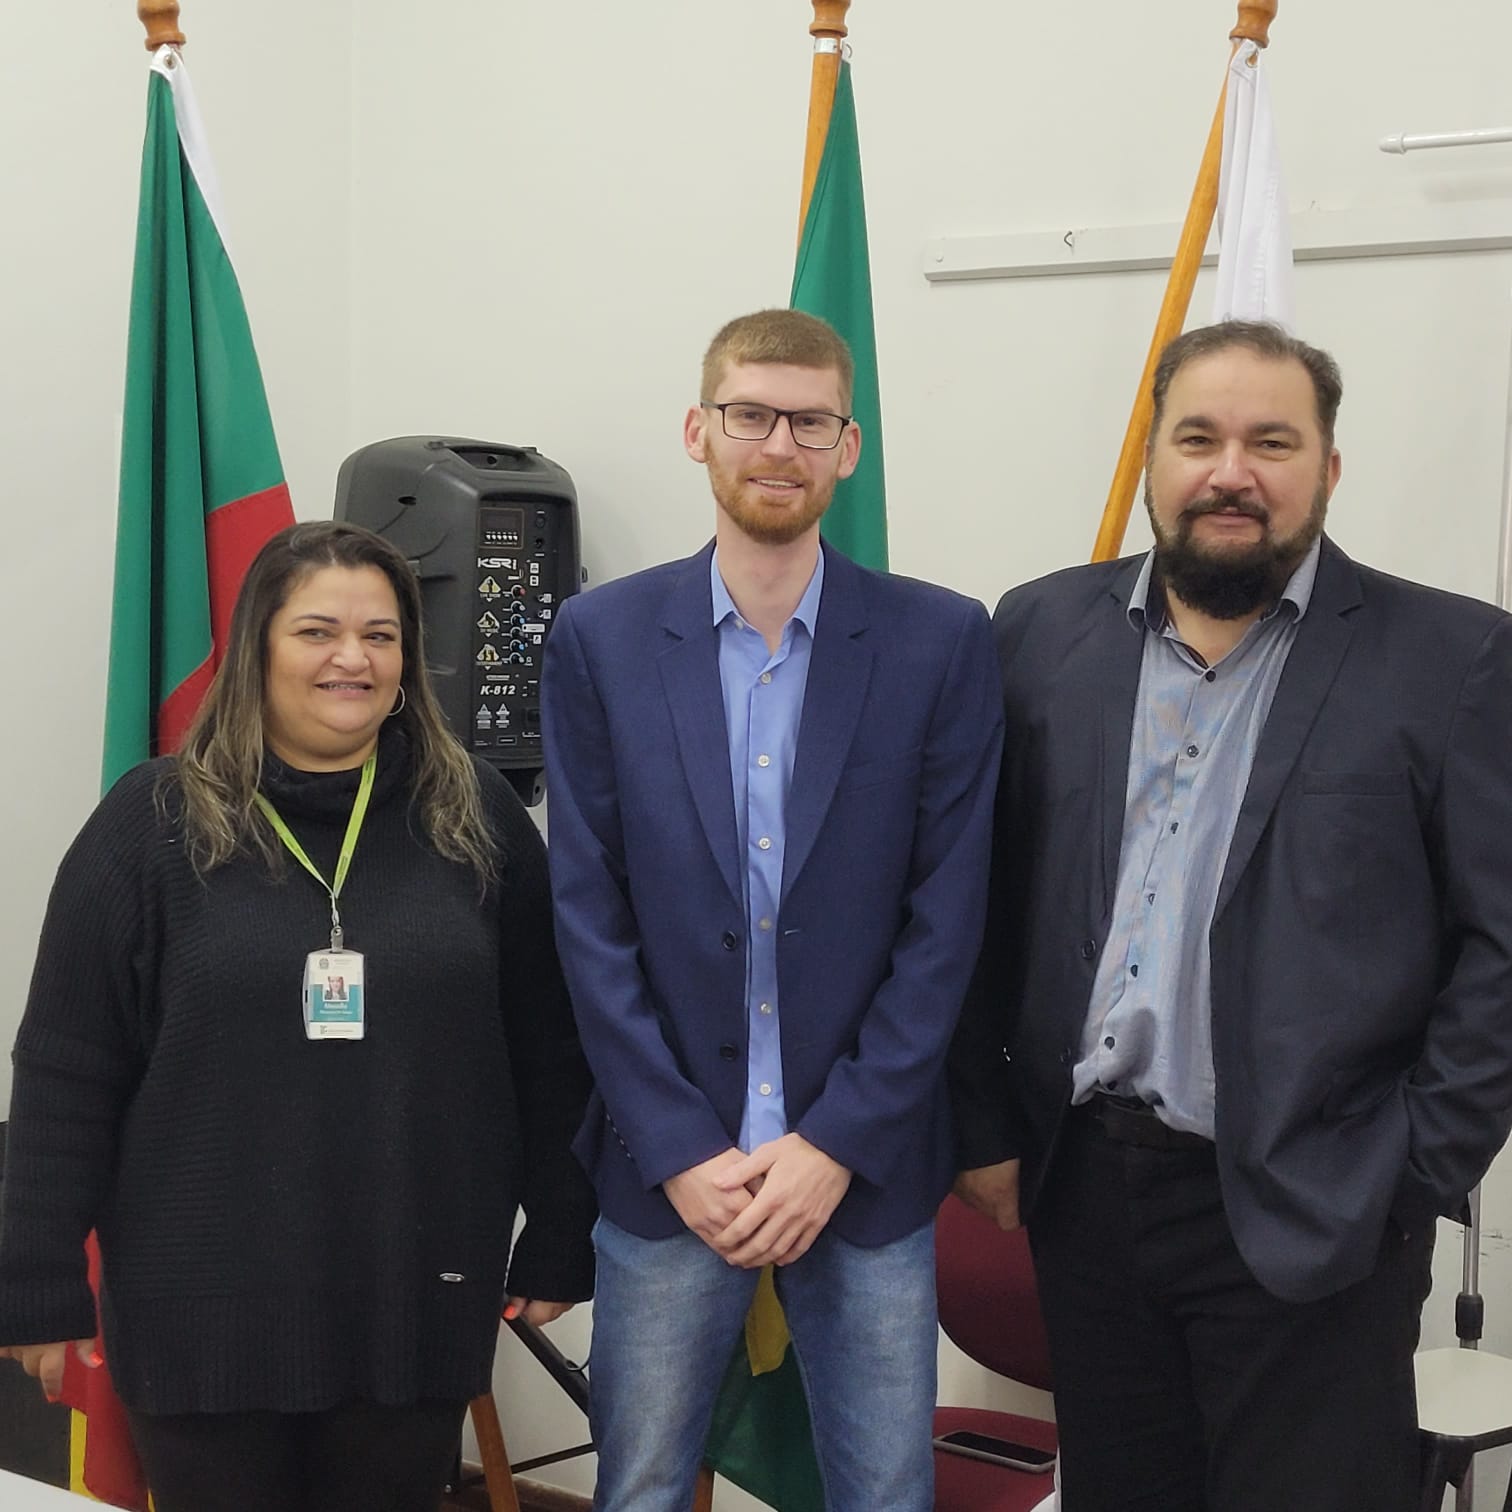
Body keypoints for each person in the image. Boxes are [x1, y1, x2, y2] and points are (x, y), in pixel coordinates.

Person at [951, 319, 1512, 1512]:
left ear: (1329, 467)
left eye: (1273, 442)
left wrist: (1414, 1167)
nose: (1232, 473)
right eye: (1199, 438)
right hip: (1089, 1192)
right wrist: (982, 1120)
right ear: (1153, 457)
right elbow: (980, 898)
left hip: (1321, 1206)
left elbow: (1501, 949)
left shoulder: (1453, 658)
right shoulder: (1038, 632)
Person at [0, 520, 596, 1512]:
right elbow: (67, 1070)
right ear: (257, 652)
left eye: (380, 635)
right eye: (318, 631)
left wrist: (563, 1230)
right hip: (198, 1313)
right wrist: (36, 1282)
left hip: (411, 1297)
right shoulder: (150, 824)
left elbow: (549, 1046)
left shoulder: (477, 817)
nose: (352, 659)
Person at [542, 308, 1003, 1511]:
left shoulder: (940, 641)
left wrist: (837, 1142)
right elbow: (587, 916)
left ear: (848, 447)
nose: (779, 445)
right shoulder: (600, 638)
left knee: (884, 1494)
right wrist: (680, 1146)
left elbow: (946, 924)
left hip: (862, 1167)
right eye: (751, 415)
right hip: (669, 1169)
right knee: (639, 1490)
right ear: (700, 431)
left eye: (809, 422)